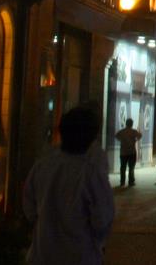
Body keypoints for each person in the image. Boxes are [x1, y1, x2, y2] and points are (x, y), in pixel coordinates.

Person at [24, 106, 114, 264]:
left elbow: (29, 209)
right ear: (90, 138)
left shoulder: (42, 166)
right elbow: (103, 219)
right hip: (80, 255)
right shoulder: (91, 174)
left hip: (42, 255)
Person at [115, 118, 141, 187]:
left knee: (123, 167)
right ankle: (131, 182)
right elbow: (140, 135)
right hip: (132, 152)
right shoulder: (134, 131)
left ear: (126, 124)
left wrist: (121, 140)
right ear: (131, 124)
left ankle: (122, 182)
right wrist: (136, 140)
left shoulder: (122, 131)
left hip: (123, 152)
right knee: (131, 167)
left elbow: (116, 135)